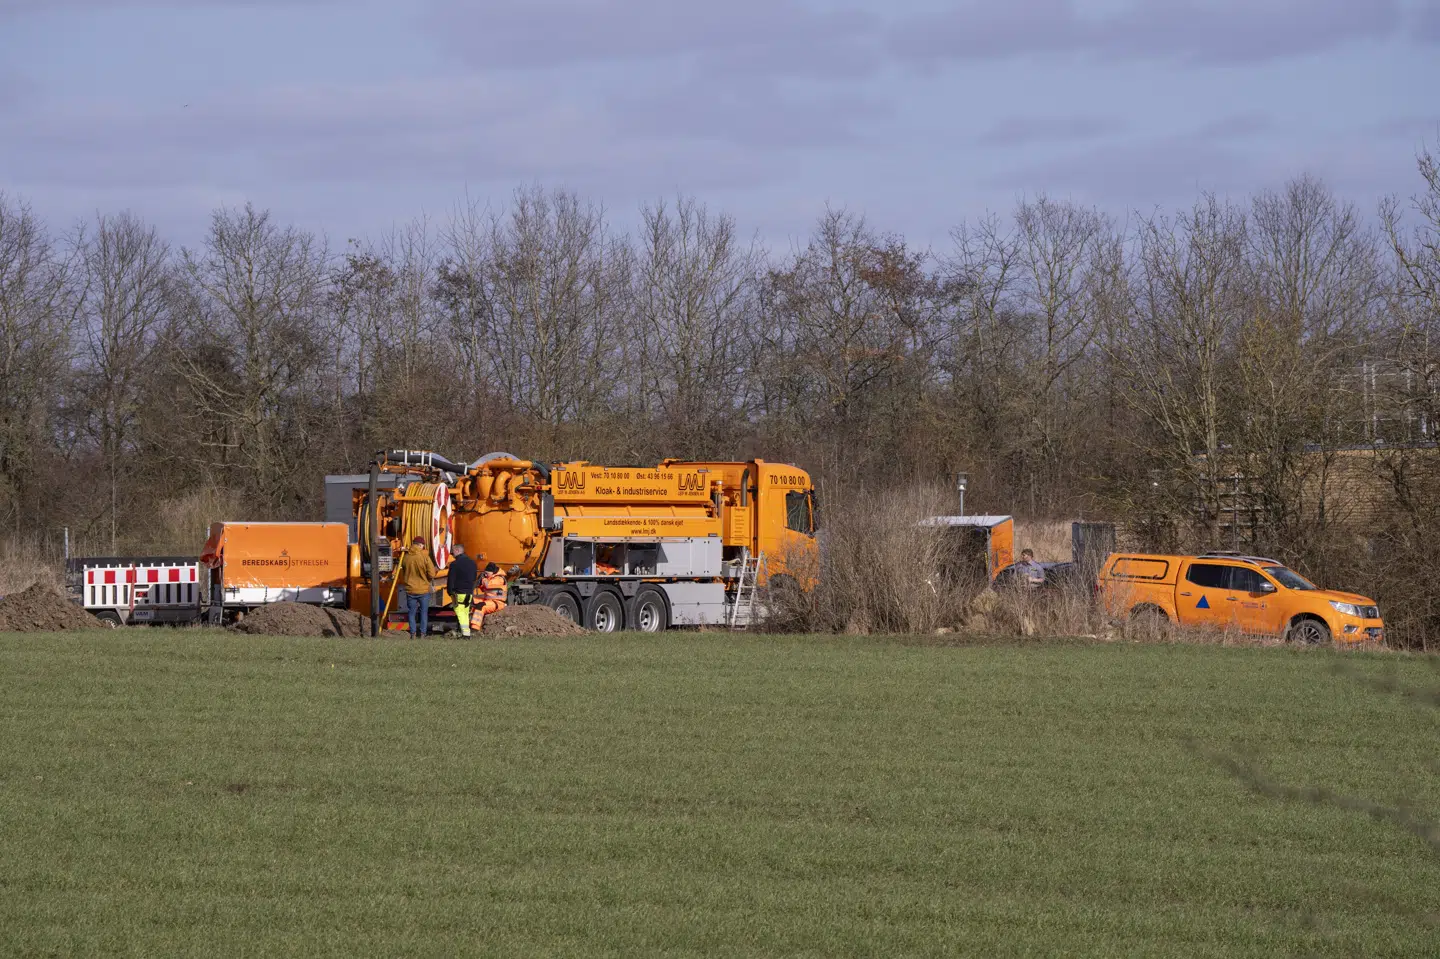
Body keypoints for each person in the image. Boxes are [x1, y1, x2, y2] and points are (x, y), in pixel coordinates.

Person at [398, 535, 440, 638]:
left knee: (411, 613)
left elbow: (403, 573)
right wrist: (427, 579)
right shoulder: (424, 556)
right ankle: (422, 633)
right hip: (423, 591)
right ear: (420, 545)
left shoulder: (405, 557)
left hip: (410, 590)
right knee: (423, 613)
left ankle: (412, 633)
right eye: (423, 545)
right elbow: (431, 574)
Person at [446, 543, 479, 638]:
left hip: (459, 593)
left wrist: (450, 591)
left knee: (460, 613)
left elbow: (451, 579)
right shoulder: (472, 563)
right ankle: (465, 632)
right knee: (465, 612)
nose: (452, 554)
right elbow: (474, 578)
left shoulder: (454, 564)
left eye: (453, 552)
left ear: (457, 551)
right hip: (469, 592)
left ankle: (466, 634)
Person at [473, 562, 508, 633]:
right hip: (488, 600)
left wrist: (482, 580)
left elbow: (488, 585)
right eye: (484, 573)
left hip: (497, 602)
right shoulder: (490, 578)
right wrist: (479, 583)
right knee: (471, 600)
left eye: (487, 573)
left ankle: (474, 628)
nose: (485, 575)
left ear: (492, 572)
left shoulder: (499, 578)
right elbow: (484, 589)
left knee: (481, 606)